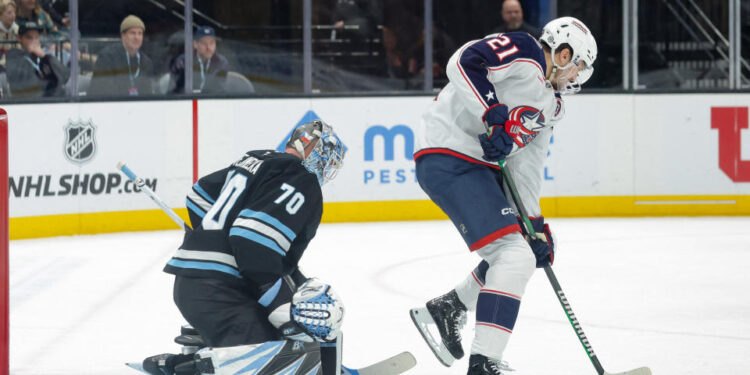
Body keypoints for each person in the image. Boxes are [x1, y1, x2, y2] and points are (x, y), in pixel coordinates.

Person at [409, 17, 597, 374]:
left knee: (521, 249)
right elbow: (463, 62)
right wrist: (493, 115)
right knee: (513, 257)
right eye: (578, 67)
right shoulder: (525, 50)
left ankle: (451, 306)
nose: (576, 77)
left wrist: (535, 225)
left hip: (477, 166)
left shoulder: (551, 106)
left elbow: (526, 165)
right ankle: (484, 363)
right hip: (447, 151)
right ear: (564, 51)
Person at [141, 120, 347, 375]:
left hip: (193, 284)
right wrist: (277, 302)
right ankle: (191, 369)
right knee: (280, 362)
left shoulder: (255, 158)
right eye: (325, 153)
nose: (327, 163)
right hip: (222, 290)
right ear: (312, 147)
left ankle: (183, 365)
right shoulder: (302, 179)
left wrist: (214, 236)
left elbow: (198, 195)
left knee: (276, 350)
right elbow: (252, 241)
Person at [88, 15, 155, 97]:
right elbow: (101, 91)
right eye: (132, 33)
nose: (136, 37)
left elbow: (148, 93)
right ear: (123, 36)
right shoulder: (107, 57)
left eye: (140, 33)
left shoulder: (146, 62)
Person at [5, 20, 68, 97]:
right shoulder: (13, 55)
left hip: (54, 102)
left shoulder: (44, 58)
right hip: (29, 102)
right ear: (19, 38)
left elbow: (65, 76)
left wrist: (44, 57)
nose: (34, 42)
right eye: (29, 38)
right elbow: (29, 81)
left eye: (36, 38)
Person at [169, 26, 228, 94]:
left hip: (211, 101)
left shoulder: (221, 62)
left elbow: (219, 89)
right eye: (204, 43)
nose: (208, 47)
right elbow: (174, 87)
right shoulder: (183, 60)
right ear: (195, 44)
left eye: (211, 43)